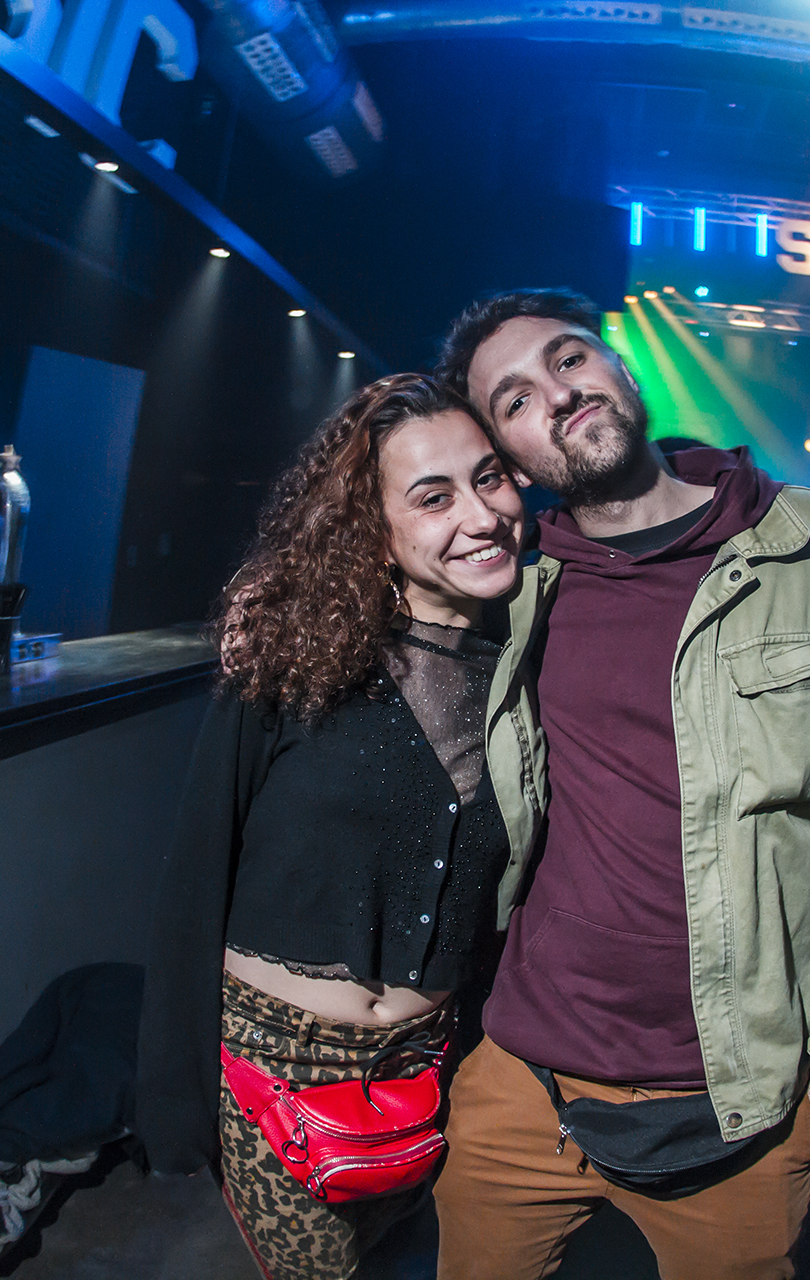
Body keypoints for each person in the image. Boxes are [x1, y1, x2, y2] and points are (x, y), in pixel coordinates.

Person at [427, 288, 810, 1280]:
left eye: (568, 358)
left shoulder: (808, 542)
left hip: (739, 1095)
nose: (557, 395)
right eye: (516, 400)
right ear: (510, 462)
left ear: (619, 365)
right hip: (523, 1082)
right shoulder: (519, 583)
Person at [135, 374, 524, 1280]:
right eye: (433, 497)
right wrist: (173, 1091)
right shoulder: (292, 660)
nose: (481, 516)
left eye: (490, 478)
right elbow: (196, 872)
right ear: (373, 529)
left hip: (431, 1066)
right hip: (274, 1067)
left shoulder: (529, 669)